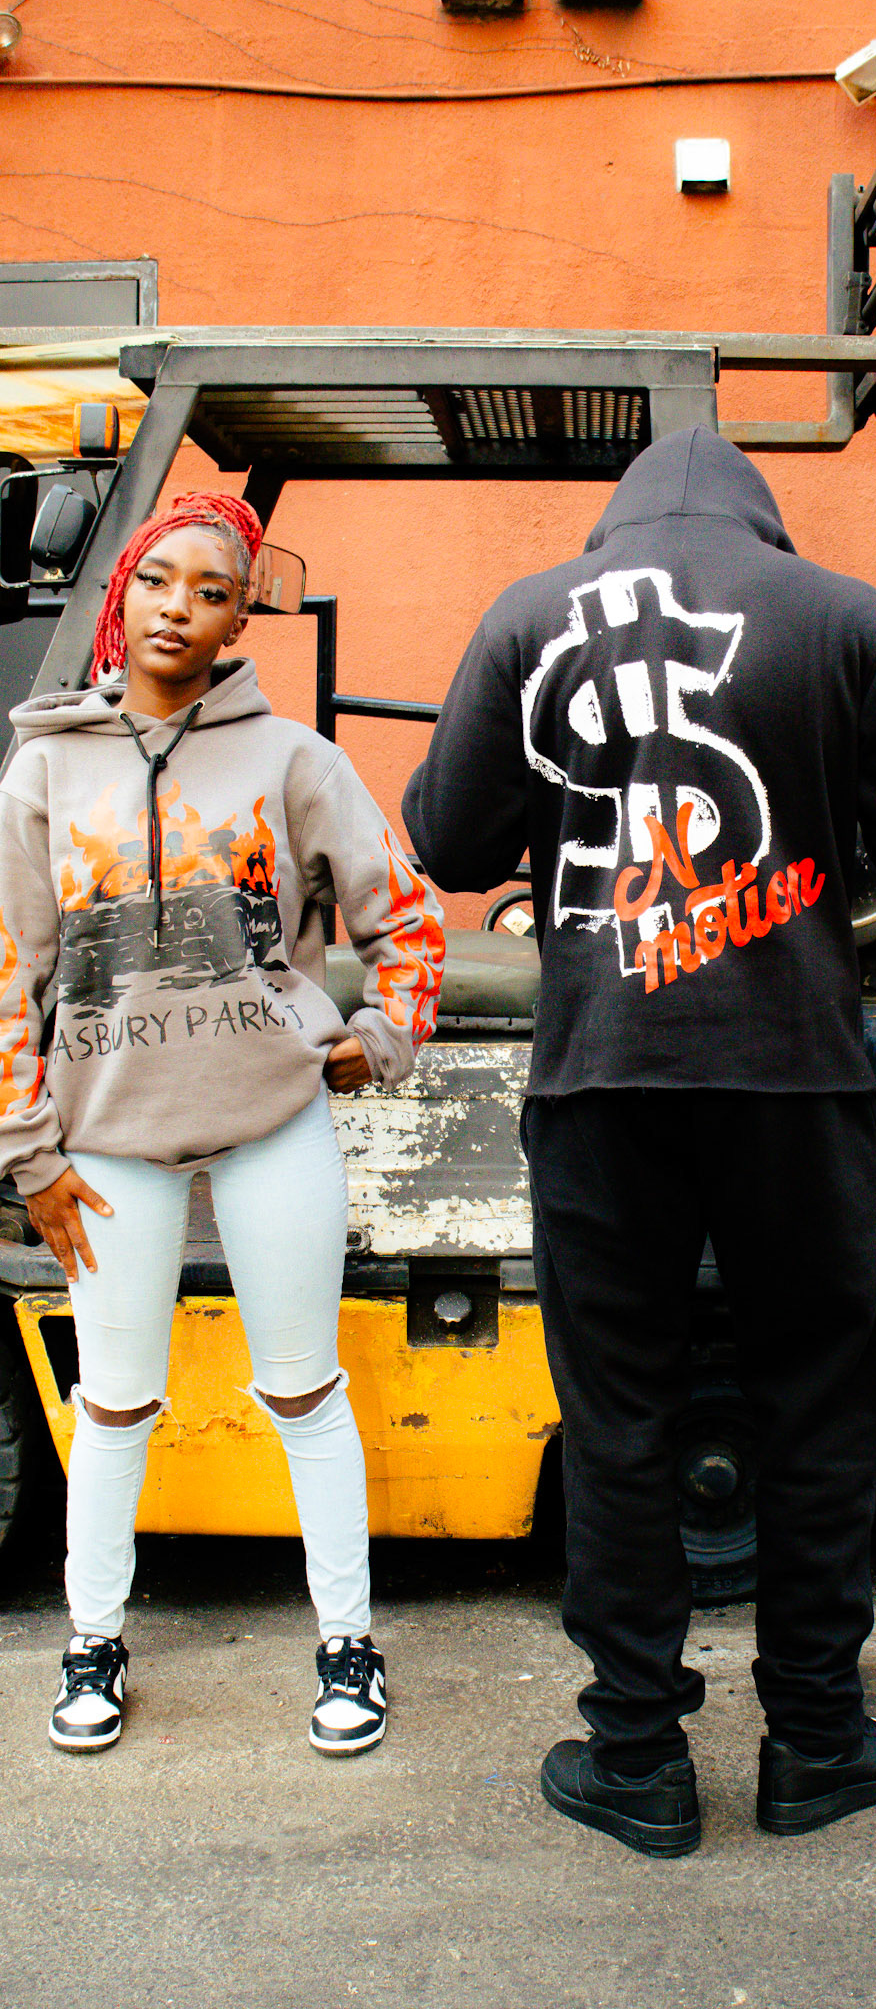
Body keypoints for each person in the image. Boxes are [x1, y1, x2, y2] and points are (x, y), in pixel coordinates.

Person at [404, 424, 876, 1854]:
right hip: (794, 1078)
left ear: (615, 518)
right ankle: (817, 1742)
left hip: (603, 1082)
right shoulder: (840, 612)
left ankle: (637, 1758)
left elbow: (449, 838)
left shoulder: (530, 614)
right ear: (762, 515)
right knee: (816, 1410)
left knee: (620, 1421)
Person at [0, 493, 444, 1756]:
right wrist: (28, 1152)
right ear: (122, 591)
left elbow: (405, 914)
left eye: (212, 592)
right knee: (115, 1403)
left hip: (271, 1125)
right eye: (160, 581)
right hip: (106, 1143)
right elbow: (8, 968)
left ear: (239, 619)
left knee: (305, 1389)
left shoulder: (292, 759)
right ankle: (92, 1642)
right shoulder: (44, 769)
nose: (179, 609)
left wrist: (386, 1032)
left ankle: (347, 1644)